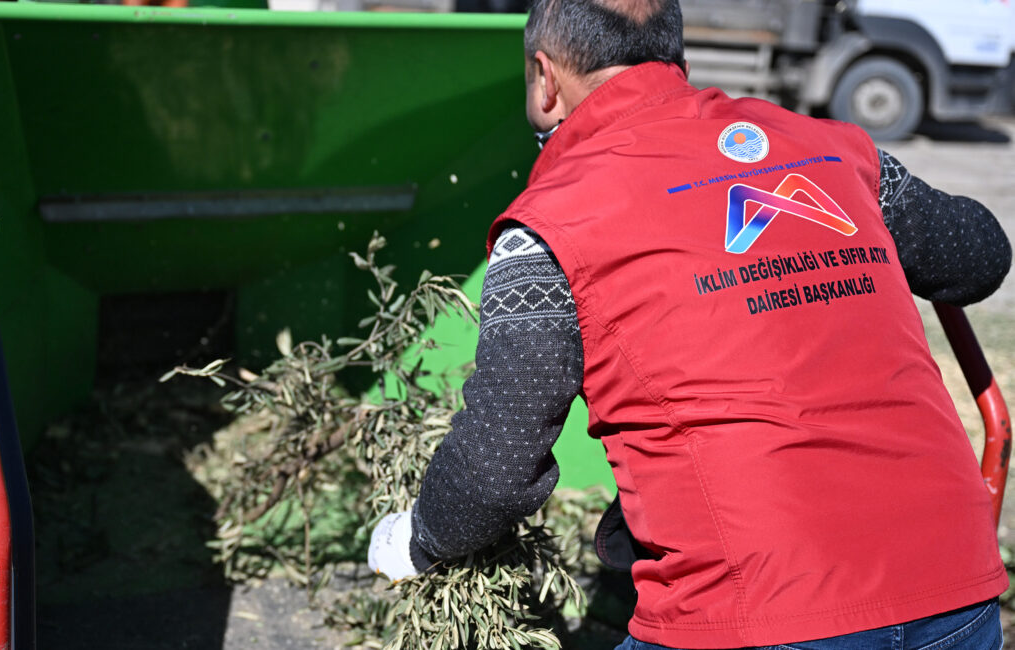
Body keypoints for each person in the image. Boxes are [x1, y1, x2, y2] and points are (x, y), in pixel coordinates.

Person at [367, 0, 1014, 647]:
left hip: (757, 611)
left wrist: (419, 540)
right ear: (674, 55)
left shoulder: (548, 227)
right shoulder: (836, 148)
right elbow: (980, 257)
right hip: (958, 590)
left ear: (544, 79)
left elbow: (496, 470)